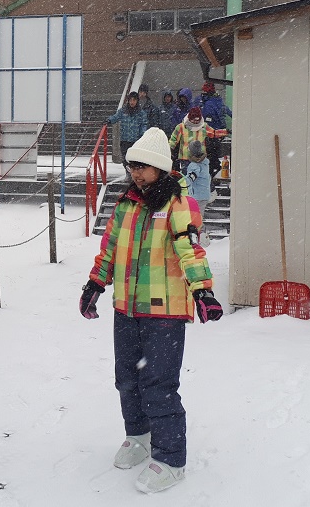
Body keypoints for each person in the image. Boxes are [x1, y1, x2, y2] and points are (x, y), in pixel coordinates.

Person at [78, 127, 222, 494]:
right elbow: (110, 247)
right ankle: (139, 436)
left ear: (159, 167)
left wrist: (202, 291)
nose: (136, 173)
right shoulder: (127, 203)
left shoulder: (178, 204)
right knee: (126, 378)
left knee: (158, 385)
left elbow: (190, 250)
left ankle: (171, 458)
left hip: (165, 312)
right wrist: (96, 283)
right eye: (132, 167)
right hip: (126, 308)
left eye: (143, 167)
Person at [169, 106, 227, 174]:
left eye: (198, 120)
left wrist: (225, 132)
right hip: (186, 158)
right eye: (194, 120)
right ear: (189, 118)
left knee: (200, 176)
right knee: (187, 176)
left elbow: (214, 133)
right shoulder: (181, 127)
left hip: (200, 157)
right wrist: (169, 149)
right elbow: (173, 139)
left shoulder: (204, 127)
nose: (196, 122)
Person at [194, 81, 232, 178]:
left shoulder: (204, 101)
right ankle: (212, 173)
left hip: (210, 133)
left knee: (210, 156)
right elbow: (226, 112)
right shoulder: (215, 101)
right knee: (211, 156)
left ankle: (211, 174)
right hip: (212, 133)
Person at [106, 92, 148, 168]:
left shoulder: (141, 113)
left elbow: (144, 124)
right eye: (130, 100)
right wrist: (108, 120)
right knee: (125, 159)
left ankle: (134, 175)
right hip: (124, 140)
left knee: (135, 160)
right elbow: (115, 117)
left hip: (136, 140)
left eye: (134, 100)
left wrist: (143, 134)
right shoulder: (123, 111)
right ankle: (128, 174)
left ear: (137, 101)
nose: (132, 102)